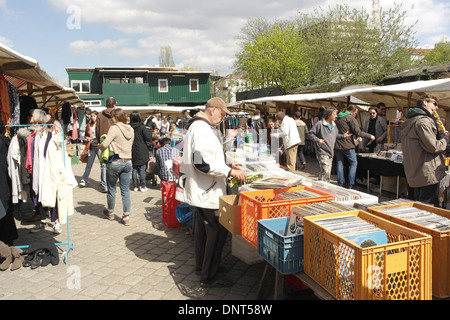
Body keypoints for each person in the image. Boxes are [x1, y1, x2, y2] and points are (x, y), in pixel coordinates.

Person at [181, 97, 246, 287]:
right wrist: (229, 171)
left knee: (203, 228)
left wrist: (226, 164)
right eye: (223, 113)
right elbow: (201, 163)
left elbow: (205, 157)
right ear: (213, 110)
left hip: (202, 188)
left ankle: (203, 266)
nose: (223, 118)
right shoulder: (201, 128)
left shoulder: (199, 126)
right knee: (216, 230)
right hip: (205, 190)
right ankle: (209, 275)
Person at [401, 95, 449, 205]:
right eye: (434, 104)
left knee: (420, 205)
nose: (436, 107)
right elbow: (433, 146)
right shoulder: (423, 122)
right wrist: (446, 139)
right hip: (427, 172)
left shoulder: (411, 120)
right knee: (426, 207)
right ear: (424, 102)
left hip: (416, 172)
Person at [98, 108, 134, 226]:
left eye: (112, 117)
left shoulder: (114, 128)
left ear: (115, 117)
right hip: (128, 161)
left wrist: (99, 146)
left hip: (115, 161)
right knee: (125, 190)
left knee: (112, 188)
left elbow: (105, 144)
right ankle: (126, 216)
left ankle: (110, 213)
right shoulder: (131, 129)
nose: (111, 119)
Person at [334, 105, 375, 189]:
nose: (355, 115)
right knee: (353, 163)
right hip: (348, 145)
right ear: (352, 111)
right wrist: (370, 136)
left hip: (337, 144)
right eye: (355, 113)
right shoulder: (350, 118)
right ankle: (351, 184)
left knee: (339, 163)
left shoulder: (337, 118)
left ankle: (340, 184)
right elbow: (358, 132)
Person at [307, 107, 350, 182]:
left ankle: (319, 184)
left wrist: (343, 136)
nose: (336, 116)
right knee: (327, 171)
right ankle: (326, 187)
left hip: (330, 151)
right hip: (322, 151)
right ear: (329, 115)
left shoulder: (334, 125)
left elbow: (335, 135)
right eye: (334, 114)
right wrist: (318, 140)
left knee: (323, 170)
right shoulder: (320, 124)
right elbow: (310, 134)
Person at [95, 97, 117, 193]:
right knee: (113, 164)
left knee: (104, 164)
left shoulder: (100, 115)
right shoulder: (116, 114)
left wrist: (99, 140)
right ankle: (112, 186)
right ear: (114, 104)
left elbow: (97, 128)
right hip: (114, 142)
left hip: (103, 141)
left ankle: (104, 185)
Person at [130, 111, 153, 192]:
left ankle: (135, 186)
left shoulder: (129, 127)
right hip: (142, 149)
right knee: (142, 168)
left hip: (132, 149)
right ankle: (142, 186)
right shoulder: (142, 127)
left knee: (134, 168)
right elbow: (148, 138)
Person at [79, 111, 100, 187]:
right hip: (91, 146)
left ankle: (104, 181)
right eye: (91, 116)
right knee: (89, 164)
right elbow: (85, 135)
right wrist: (87, 137)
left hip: (99, 145)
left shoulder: (100, 125)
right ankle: (84, 180)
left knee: (103, 165)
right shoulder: (88, 125)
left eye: (94, 116)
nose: (92, 117)